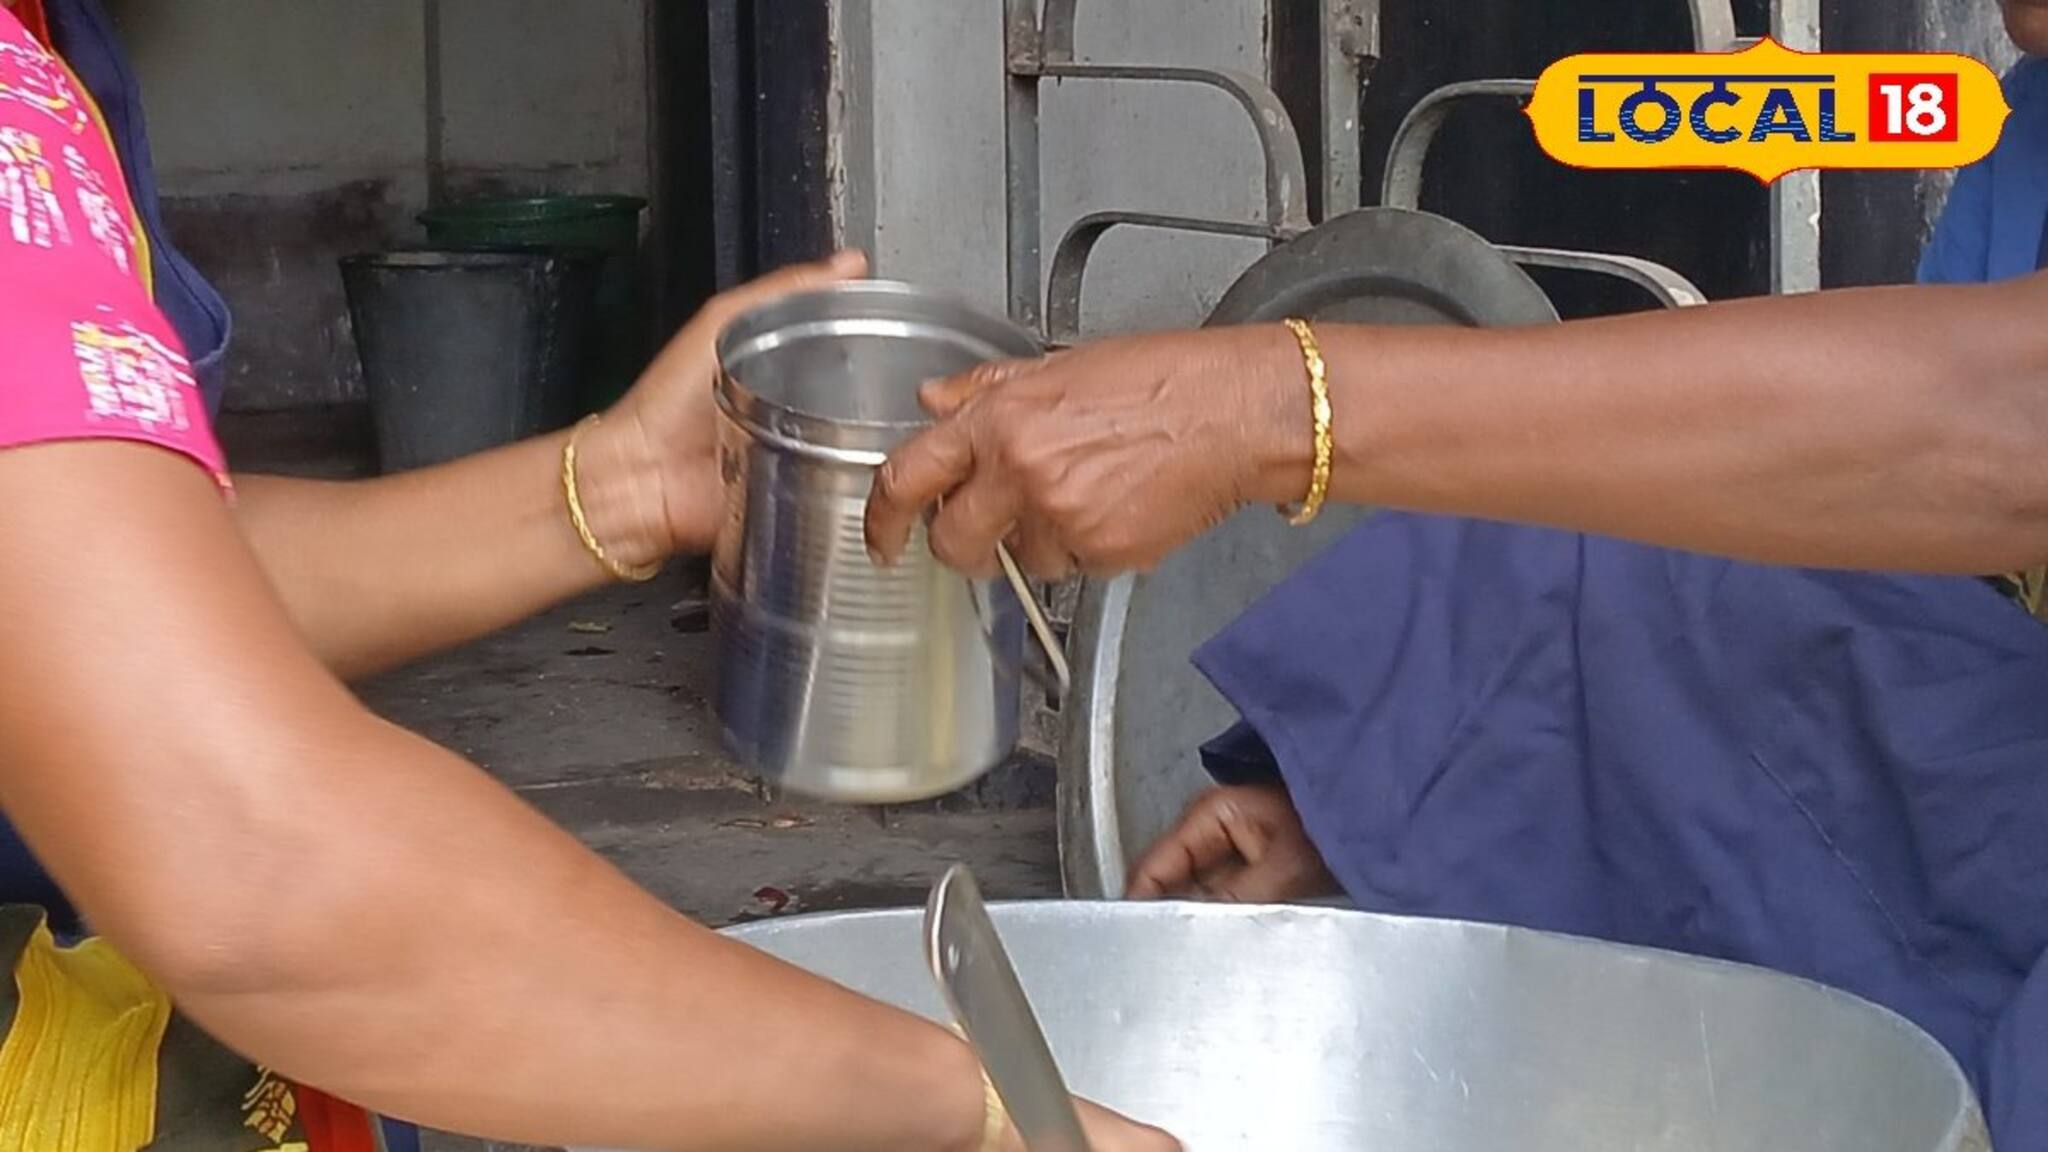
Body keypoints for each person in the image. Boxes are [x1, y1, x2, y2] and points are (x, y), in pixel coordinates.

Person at [0, 3, 1182, 1150]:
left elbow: (109, 596)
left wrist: (614, 487)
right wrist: (969, 1108)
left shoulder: (53, 50)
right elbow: (251, 861)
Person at [866, 4, 2048, 1149]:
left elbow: (2003, 423)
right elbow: (1875, 508)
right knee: (1575, 539)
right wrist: (1393, 779)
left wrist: (1269, 404)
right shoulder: (2027, 118)